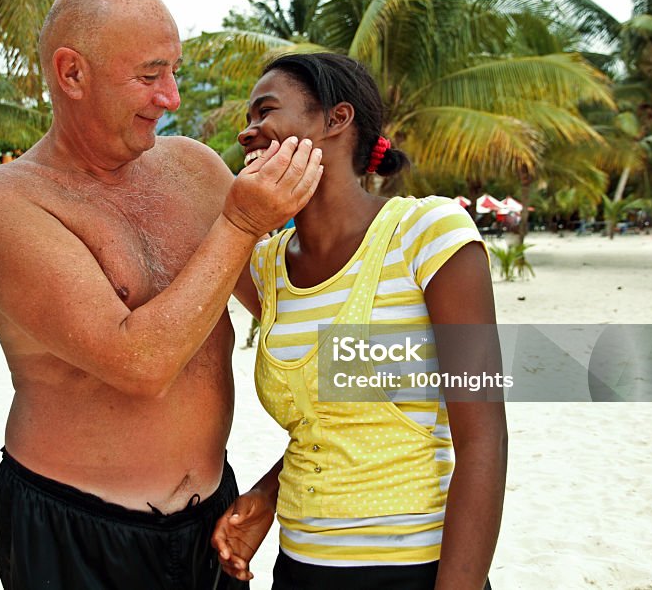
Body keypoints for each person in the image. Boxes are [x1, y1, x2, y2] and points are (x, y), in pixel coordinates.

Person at [0, 0, 323, 590]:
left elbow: (292, 308)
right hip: (75, 527)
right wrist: (240, 221)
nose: (172, 97)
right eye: (150, 74)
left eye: (175, 71)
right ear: (71, 74)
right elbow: (139, 363)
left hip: (215, 516)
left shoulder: (195, 167)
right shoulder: (7, 201)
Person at [212, 53, 507, 589]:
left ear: (336, 120)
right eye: (249, 118)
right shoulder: (263, 265)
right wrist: (265, 495)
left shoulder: (429, 234)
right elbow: (326, 425)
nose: (247, 131)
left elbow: (483, 437)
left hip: (417, 569)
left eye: (265, 112)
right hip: (300, 569)